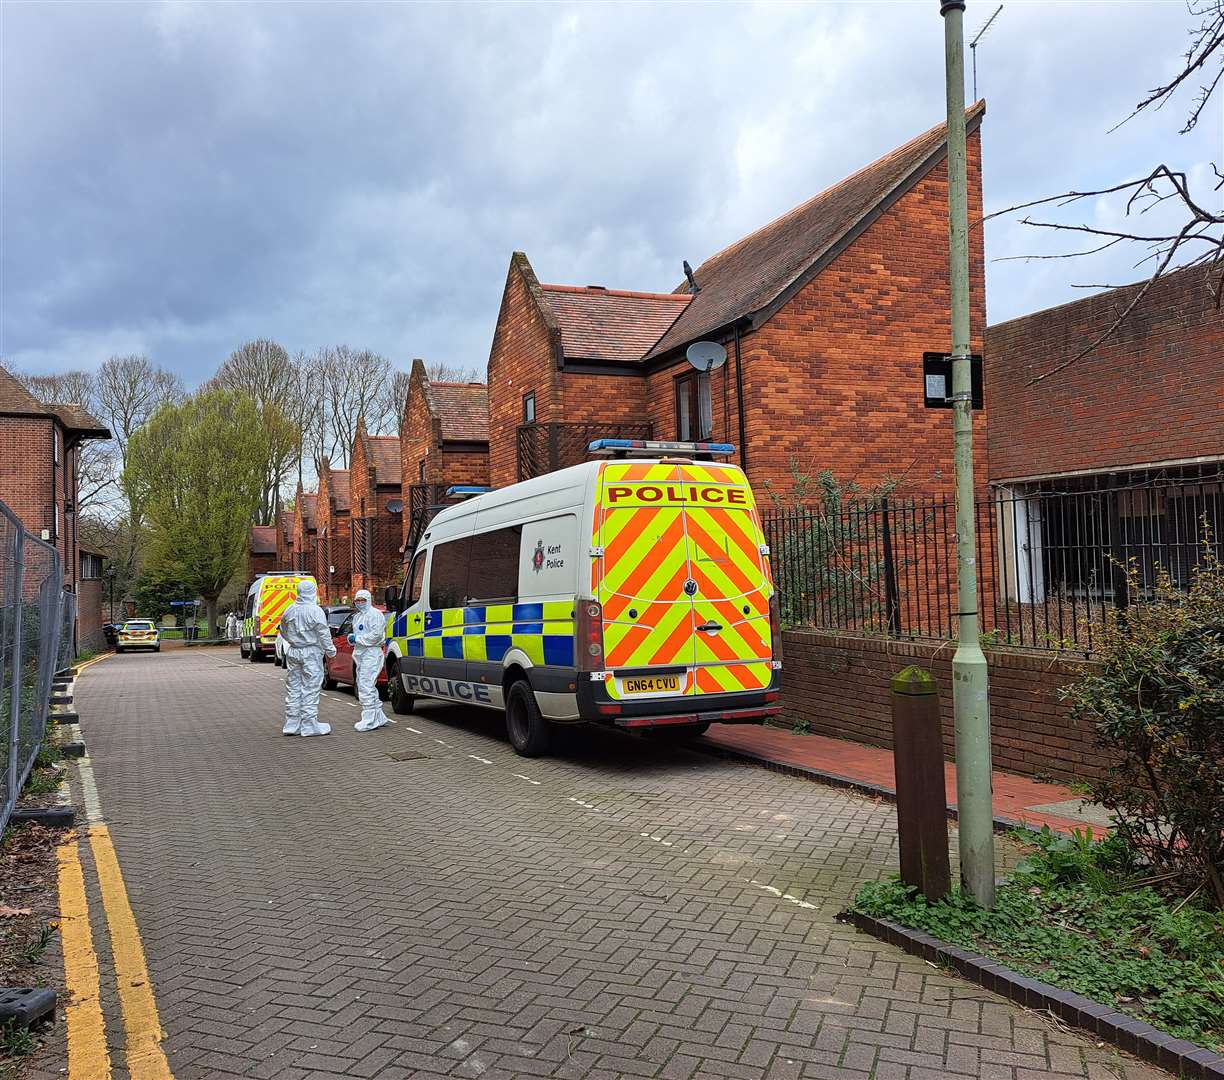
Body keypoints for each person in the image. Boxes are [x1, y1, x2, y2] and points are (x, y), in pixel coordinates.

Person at [277, 579, 336, 737]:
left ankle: (291, 723)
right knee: (310, 688)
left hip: (294, 651)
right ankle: (309, 724)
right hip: (310, 652)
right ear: (313, 591)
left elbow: (282, 629)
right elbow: (324, 633)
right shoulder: (315, 611)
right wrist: (331, 651)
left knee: (293, 687)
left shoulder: (289, 610)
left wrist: (291, 641)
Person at [350, 589, 390, 732]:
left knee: (366, 685)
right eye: (357, 600)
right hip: (361, 654)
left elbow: (376, 635)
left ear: (368, 600)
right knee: (364, 683)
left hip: (371, 653)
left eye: (363, 600)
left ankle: (369, 720)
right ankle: (379, 716)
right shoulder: (357, 617)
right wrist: (353, 640)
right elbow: (359, 634)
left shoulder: (375, 615)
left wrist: (358, 639)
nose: (360, 603)